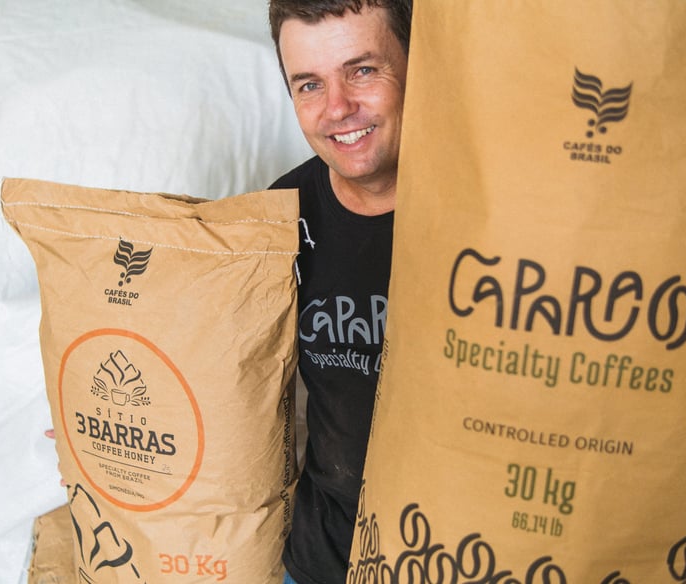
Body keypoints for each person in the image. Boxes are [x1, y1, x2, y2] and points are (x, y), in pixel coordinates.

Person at [267, 1, 412, 582]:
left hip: (463, 553)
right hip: (323, 560)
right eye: (309, 84)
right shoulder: (277, 217)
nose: (337, 108)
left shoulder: (494, 206)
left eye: (363, 71)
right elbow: (217, 365)